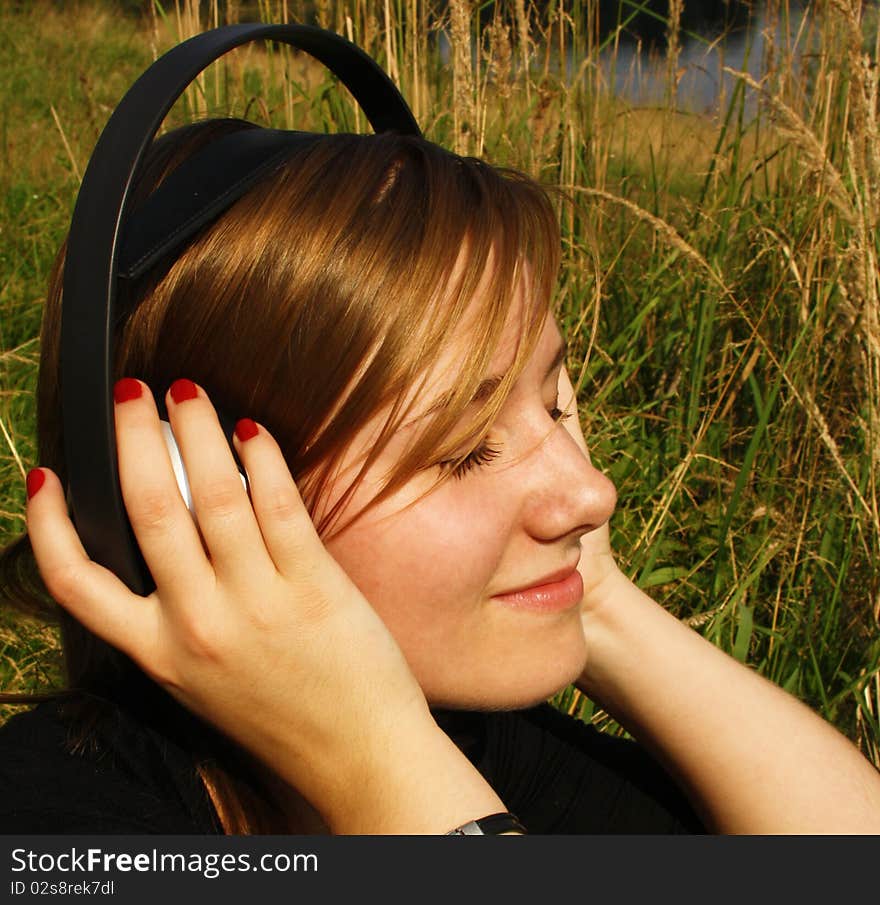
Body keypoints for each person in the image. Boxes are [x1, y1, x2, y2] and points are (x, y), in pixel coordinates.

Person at [1, 115, 879, 836]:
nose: (592, 492)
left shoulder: (476, 740)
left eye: (554, 403)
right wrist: (372, 757)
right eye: (463, 449)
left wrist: (601, 600)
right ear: (193, 499)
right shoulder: (56, 825)